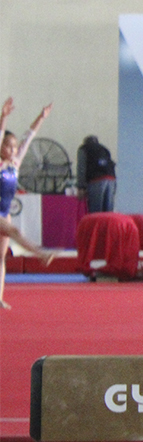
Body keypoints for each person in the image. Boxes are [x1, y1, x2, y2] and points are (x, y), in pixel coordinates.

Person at [0, 99, 54, 310]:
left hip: (5, 212)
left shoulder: (15, 164)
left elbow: (28, 139)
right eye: (7, 145)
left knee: (1, 258)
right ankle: (41, 254)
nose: (12, 149)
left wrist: (41, 118)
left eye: (13, 147)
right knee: (14, 231)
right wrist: (3, 117)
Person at [76, 135, 116, 214]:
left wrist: (81, 187)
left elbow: (81, 167)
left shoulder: (84, 148)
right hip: (111, 180)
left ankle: (96, 226)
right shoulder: (105, 149)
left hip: (96, 180)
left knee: (96, 212)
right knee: (108, 213)